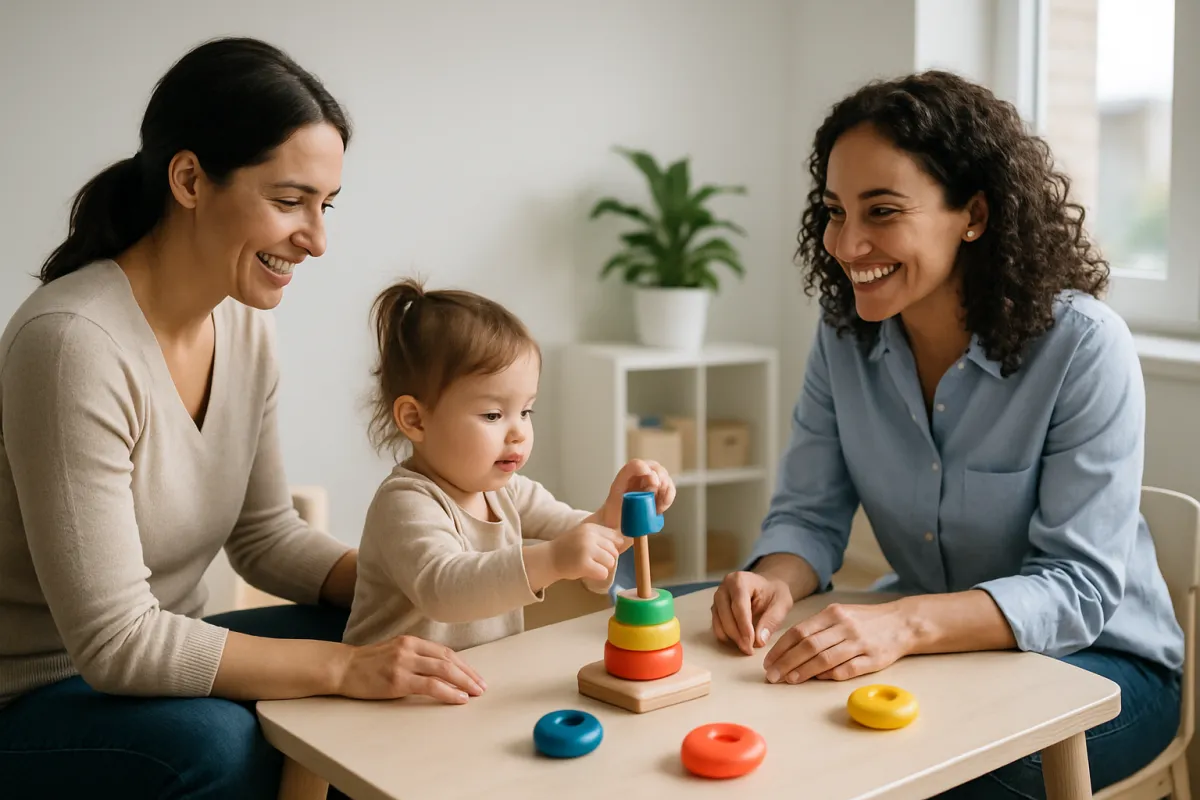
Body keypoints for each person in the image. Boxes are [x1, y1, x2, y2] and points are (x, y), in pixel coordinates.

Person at [0, 37, 484, 799]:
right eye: (289, 202)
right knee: (221, 747)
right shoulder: (71, 344)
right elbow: (117, 643)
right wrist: (343, 669)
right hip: (38, 695)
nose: (317, 240)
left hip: (159, 656)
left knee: (418, 647)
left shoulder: (244, 326)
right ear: (190, 179)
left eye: (325, 207)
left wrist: (413, 578)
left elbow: (263, 536)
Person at [709, 70, 1184, 798]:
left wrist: (902, 625)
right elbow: (808, 514)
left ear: (975, 215)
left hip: (1101, 666)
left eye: (884, 211)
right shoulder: (844, 341)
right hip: (940, 651)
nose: (847, 242)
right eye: (835, 211)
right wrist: (771, 581)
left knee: (945, 770)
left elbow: (1080, 588)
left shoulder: (1084, 348)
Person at [342, 278, 676, 651]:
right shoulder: (405, 503)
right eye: (492, 414)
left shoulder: (508, 490)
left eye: (526, 411)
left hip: (471, 684)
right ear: (416, 420)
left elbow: (579, 538)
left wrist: (616, 511)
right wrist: (551, 559)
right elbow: (444, 590)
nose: (518, 432)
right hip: (385, 696)